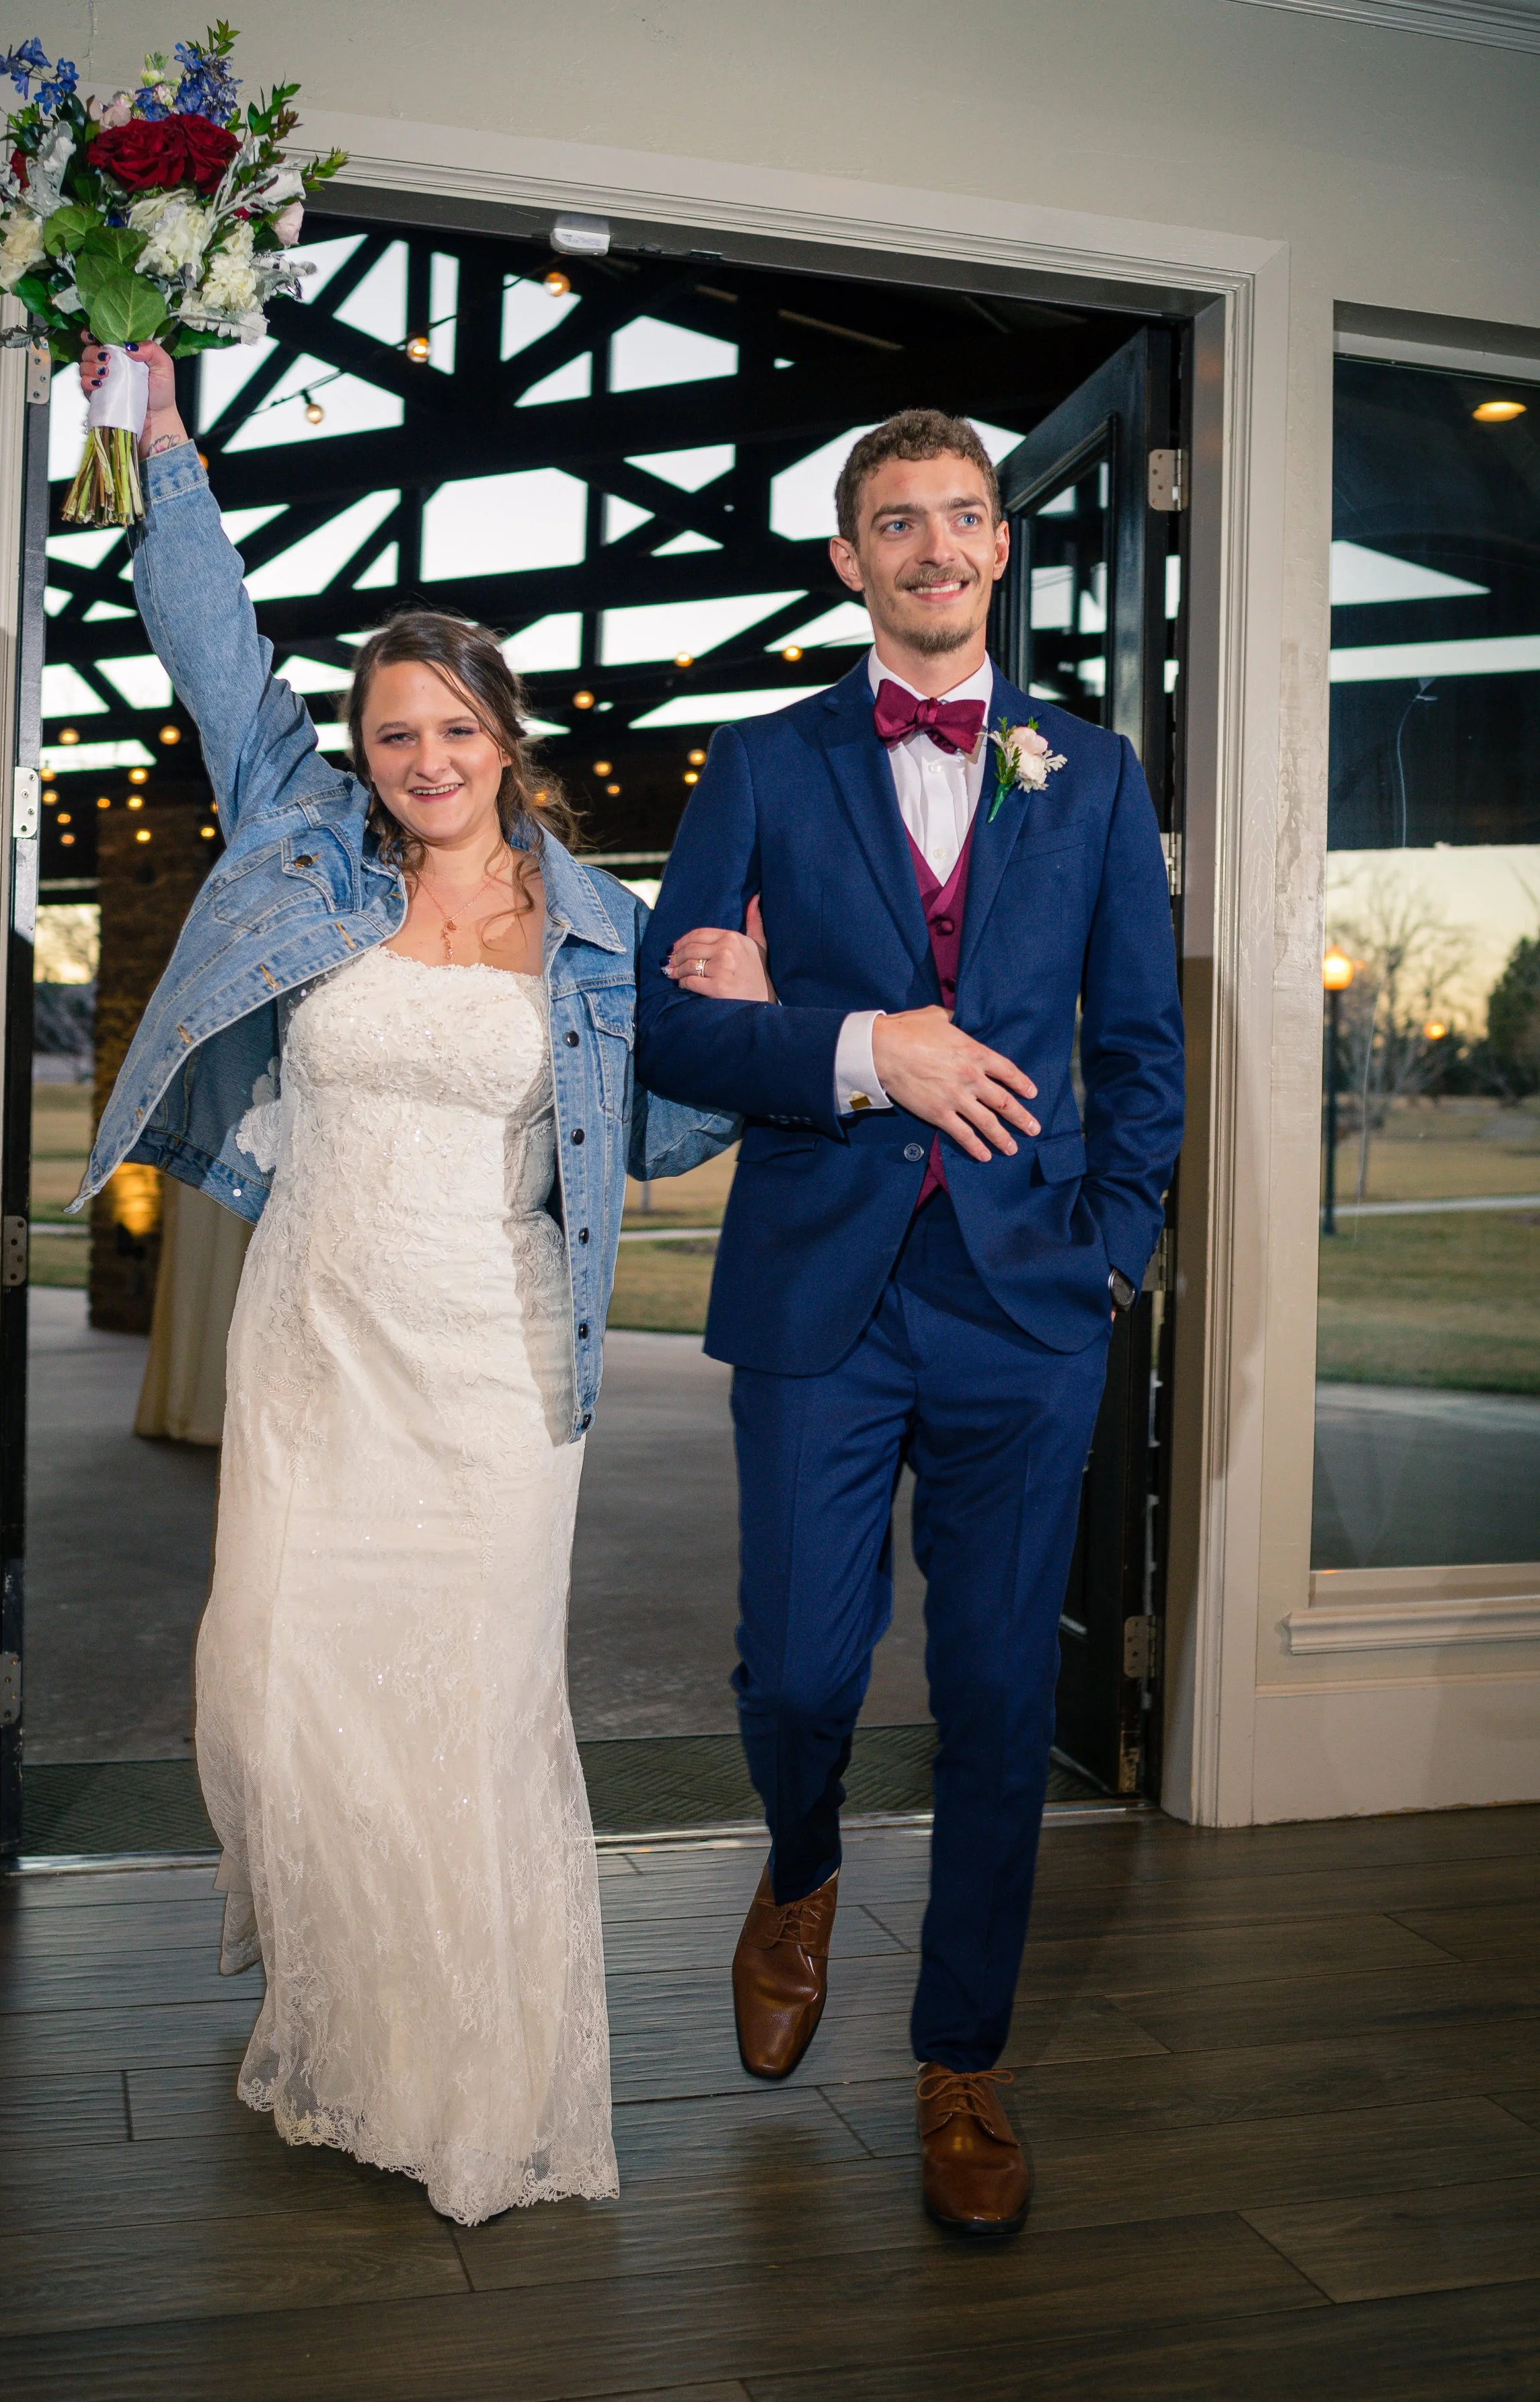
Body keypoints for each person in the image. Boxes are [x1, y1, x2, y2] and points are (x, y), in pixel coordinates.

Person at [71, 340, 744, 2226]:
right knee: (281, 1692)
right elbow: (216, 647)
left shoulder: (599, 929)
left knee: (467, 1709)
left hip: (497, 1369)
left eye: (455, 729)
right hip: (314, 1343)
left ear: (506, 740)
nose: (426, 760)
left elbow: (659, 1133)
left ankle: (469, 2081)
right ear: (359, 754)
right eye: (393, 735)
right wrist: (165, 446)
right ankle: (355, 2026)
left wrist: (748, 1021)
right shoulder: (311, 849)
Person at [637, 409, 1184, 2238]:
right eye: (897, 522)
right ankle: (797, 1864)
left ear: (1000, 549)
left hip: (1029, 1303)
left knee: (999, 1697)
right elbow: (673, 1027)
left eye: (963, 516)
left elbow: (1140, 1046)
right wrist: (870, 1049)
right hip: (821, 1287)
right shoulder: (763, 761)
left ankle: (961, 2062)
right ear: (847, 560)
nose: (935, 546)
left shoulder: (1090, 774)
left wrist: (1111, 1254)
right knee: (800, 1670)